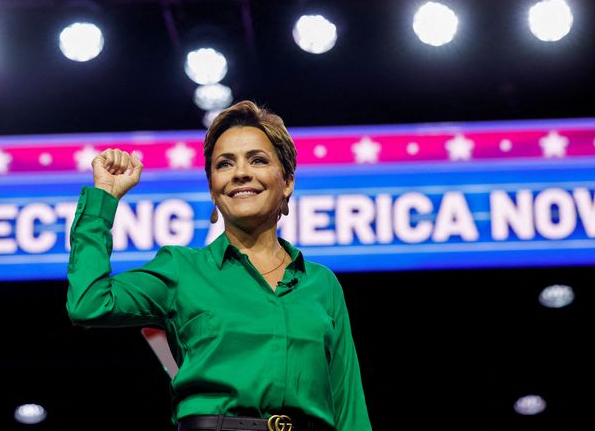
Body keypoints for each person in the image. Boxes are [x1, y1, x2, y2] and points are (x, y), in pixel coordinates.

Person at [66, 101, 373, 431]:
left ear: (287, 181)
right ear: (213, 189)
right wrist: (104, 198)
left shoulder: (321, 284)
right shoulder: (182, 269)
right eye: (224, 164)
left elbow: (348, 404)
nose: (241, 172)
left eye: (257, 160)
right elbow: (89, 305)